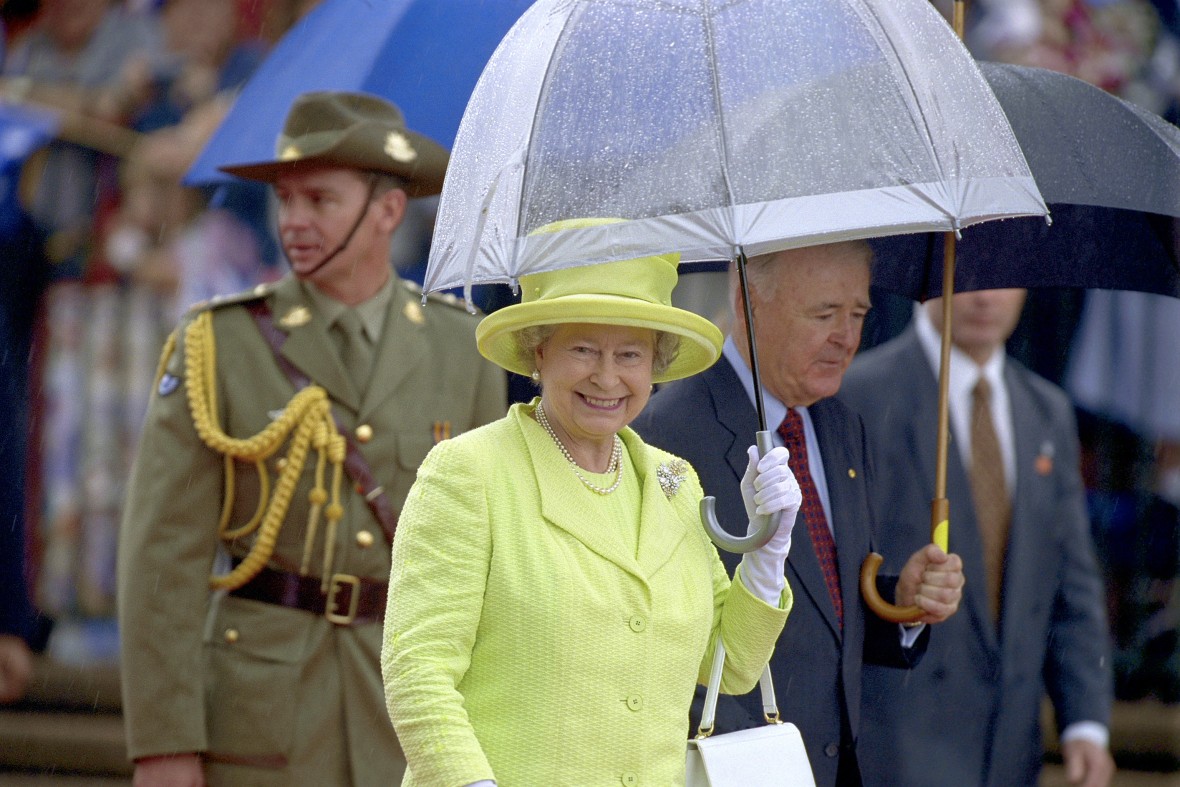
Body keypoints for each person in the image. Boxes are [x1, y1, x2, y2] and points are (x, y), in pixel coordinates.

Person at [117, 91, 506, 786]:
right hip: (259, 722)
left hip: (408, 718)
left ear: (388, 210)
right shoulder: (218, 344)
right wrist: (164, 743)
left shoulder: (463, 348)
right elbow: (162, 559)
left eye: (319, 201)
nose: (293, 222)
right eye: (285, 200)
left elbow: (481, 561)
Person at [381, 218, 805, 785]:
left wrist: (767, 553)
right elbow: (418, 671)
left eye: (630, 355)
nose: (608, 378)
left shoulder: (673, 482)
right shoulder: (470, 472)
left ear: (655, 365)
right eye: (583, 349)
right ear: (539, 352)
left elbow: (731, 666)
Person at [631, 240, 966, 787]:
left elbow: (827, 613)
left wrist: (898, 602)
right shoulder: (666, 433)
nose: (846, 336)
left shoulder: (839, 425)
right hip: (731, 766)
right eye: (824, 313)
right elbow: (655, 631)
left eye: (858, 313)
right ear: (746, 300)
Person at [838, 288, 1115, 787]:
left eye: (1005, 276)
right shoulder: (857, 394)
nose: (986, 295)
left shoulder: (1045, 408)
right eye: (967, 272)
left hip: (1009, 749)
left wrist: (1085, 723)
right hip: (896, 745)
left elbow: (1071, 583)